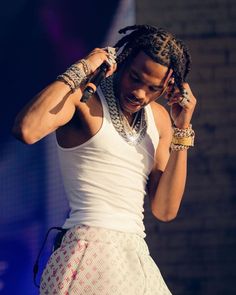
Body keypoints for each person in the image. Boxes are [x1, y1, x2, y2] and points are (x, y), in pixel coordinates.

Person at [12, 24, 196, 295]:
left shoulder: (160, 119)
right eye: (134, 78)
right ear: (122, 61)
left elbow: (165, 210)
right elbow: (26, 129)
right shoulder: (84, 99)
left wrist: (182, 128)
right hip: (88, 251)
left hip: (136, 257)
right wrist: (84, 67)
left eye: (152, 88)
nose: (140, 93)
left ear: (168, 86)